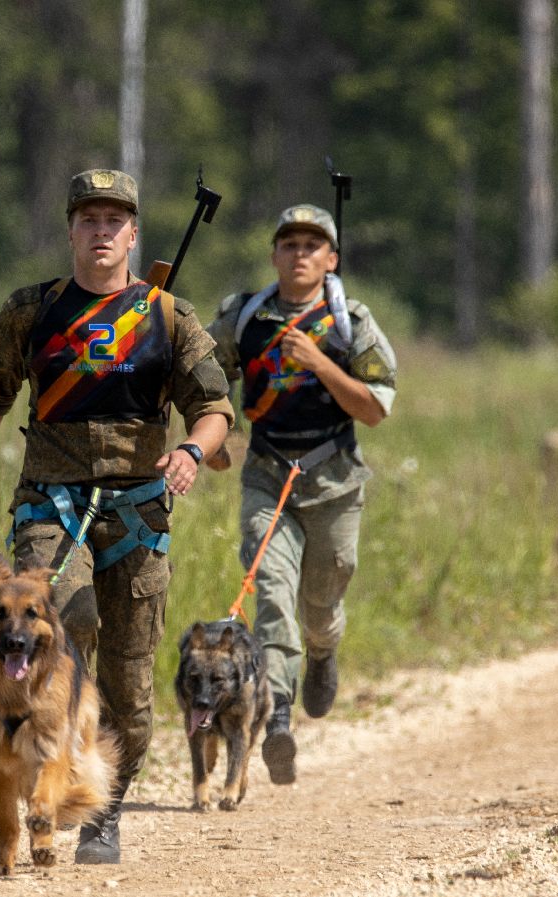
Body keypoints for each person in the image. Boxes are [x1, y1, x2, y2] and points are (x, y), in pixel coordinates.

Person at [0, 168, 233, 864]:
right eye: (89, 219)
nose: (101, 232)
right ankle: (46, 771)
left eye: (115, 221)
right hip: (52, 497)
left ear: (133, 233)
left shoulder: (168, 317)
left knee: (132, 686)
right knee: (64, 620)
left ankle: (104, 809)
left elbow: (215, 408)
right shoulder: (34, 311)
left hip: (139, 507)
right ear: (72, 230)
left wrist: (193, 451)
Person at [206, 204, 398, 785]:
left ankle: (323, 651)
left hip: (334, 478)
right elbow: (206, 377)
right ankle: (279, 715)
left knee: (322, 593)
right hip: (268, 474)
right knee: (269, 590)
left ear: (331, 260)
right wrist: (212, 439)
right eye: (288, 243)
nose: (299, 253)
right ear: (274, 254)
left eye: (313, 245)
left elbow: (375, 410)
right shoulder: (246, 317)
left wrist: (320, 362)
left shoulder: (351, 324)